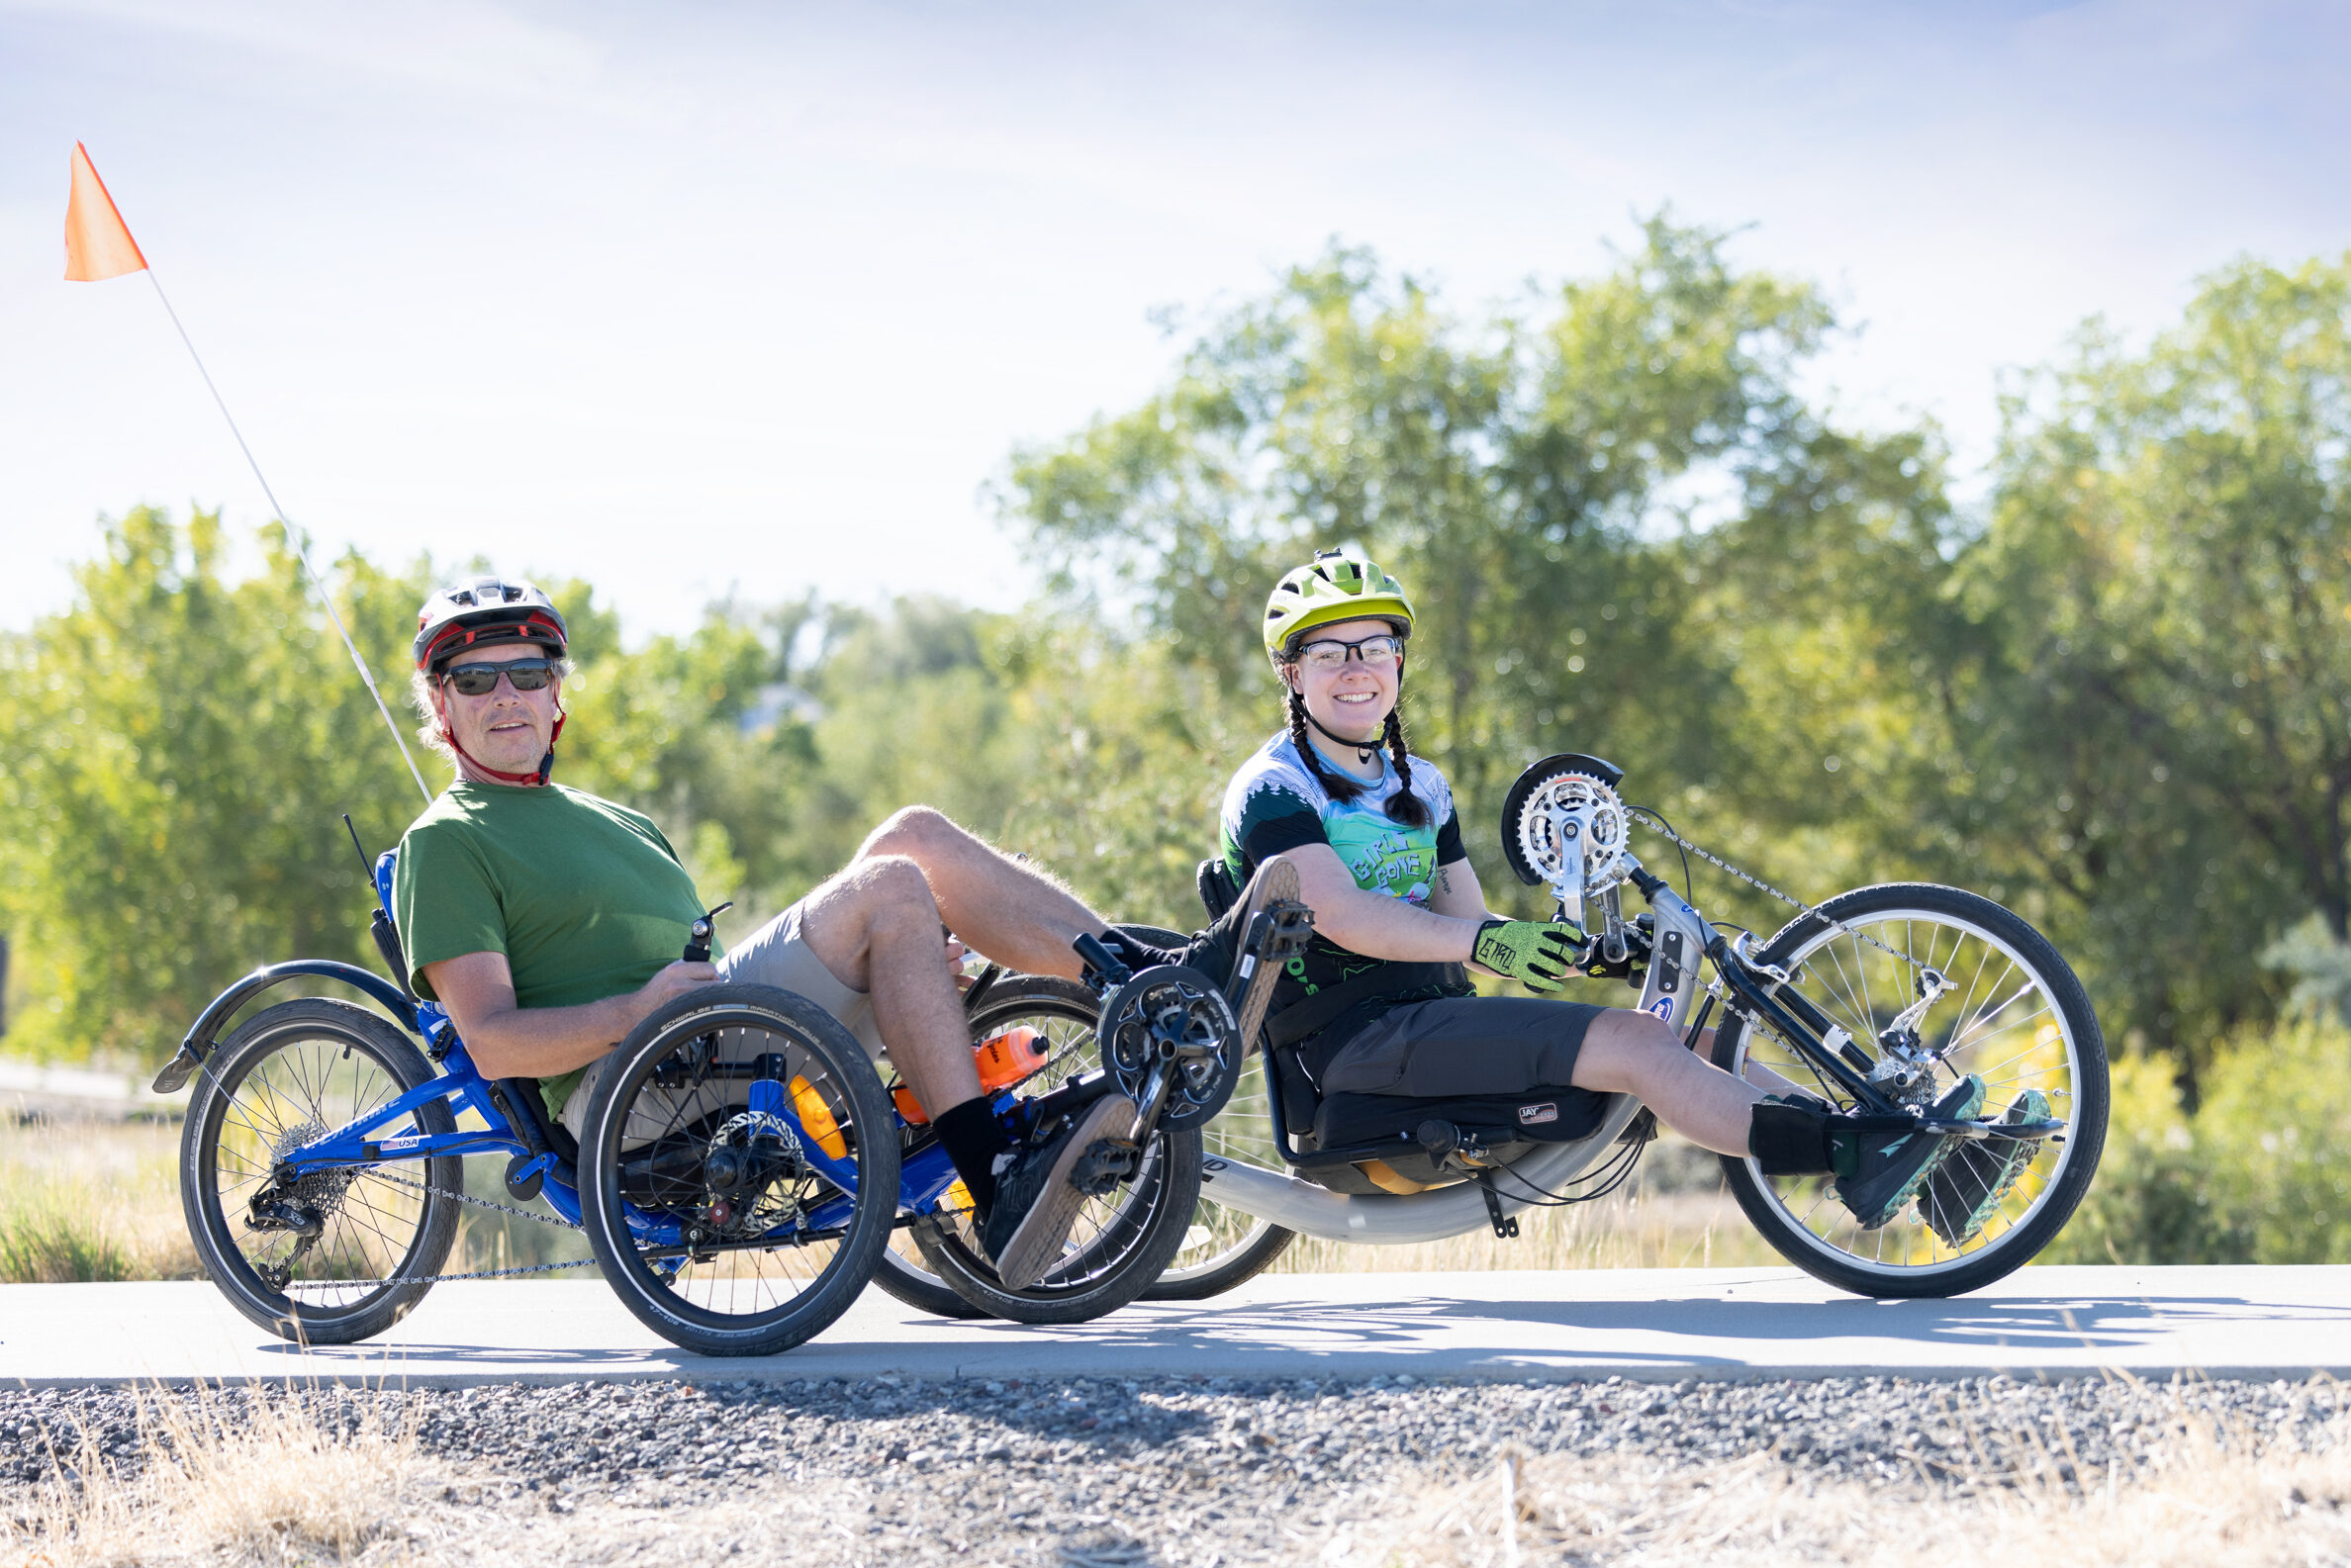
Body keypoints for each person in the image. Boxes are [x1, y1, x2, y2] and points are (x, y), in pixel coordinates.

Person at [1178, 549, 2015, 1236]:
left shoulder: (1420, 784)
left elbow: (1471, 923)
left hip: (1436, 1020)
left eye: (1373, 648)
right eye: (1330, 653)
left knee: (1698, 1029)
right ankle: (1853, 1152)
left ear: (1398, 662)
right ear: (1292, 673)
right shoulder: (1274, 788)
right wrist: (1482, 944)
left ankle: (1931, 1169)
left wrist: (1583, 952)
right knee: (1640, 1045)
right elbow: (1343, 913)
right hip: (1351, 1048)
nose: (1356, 669)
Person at [390, 576, 1143, 1290]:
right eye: (475, 680)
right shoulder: (449, 840)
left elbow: (715, 974)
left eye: (526, 672)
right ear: (440, 701)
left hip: (709, 1043)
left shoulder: (623, 823)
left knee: (912, 842)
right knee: (889, 883)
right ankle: (997, 1178)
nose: (507, 697)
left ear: (556, 688)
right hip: (632, 1084)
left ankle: (1145, 983)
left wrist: (906, 956)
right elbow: (490, 1039)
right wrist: (635, 1011)